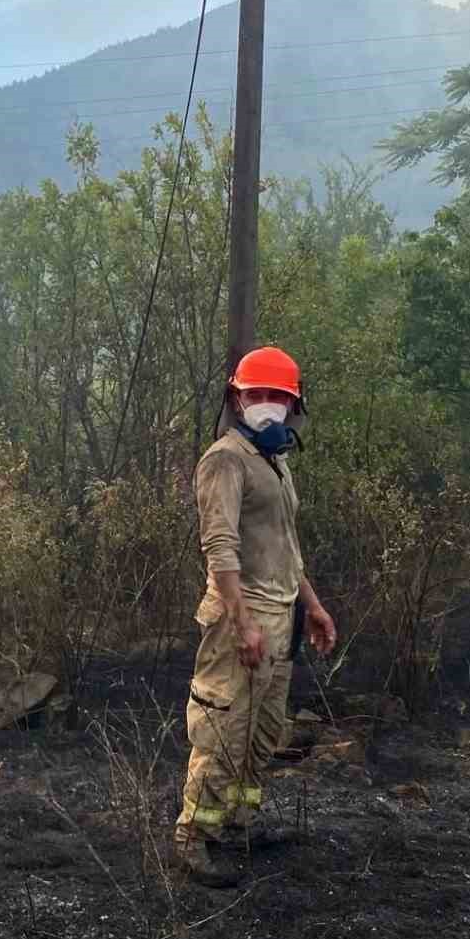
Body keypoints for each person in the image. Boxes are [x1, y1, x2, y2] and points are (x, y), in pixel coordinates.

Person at [173, 346, 337, 888]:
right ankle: (193, 838)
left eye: (277, 397)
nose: (266, 405)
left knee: (262, 736)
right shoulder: (224, 459)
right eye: (256, 395)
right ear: (237, 398)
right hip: (239, 619)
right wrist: (242, 623)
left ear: (294, 404)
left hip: (282, 616)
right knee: (223, 732)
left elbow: (285, 546)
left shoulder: (277, 462)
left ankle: (237, 823)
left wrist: (310, 604)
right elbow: (219, 549)